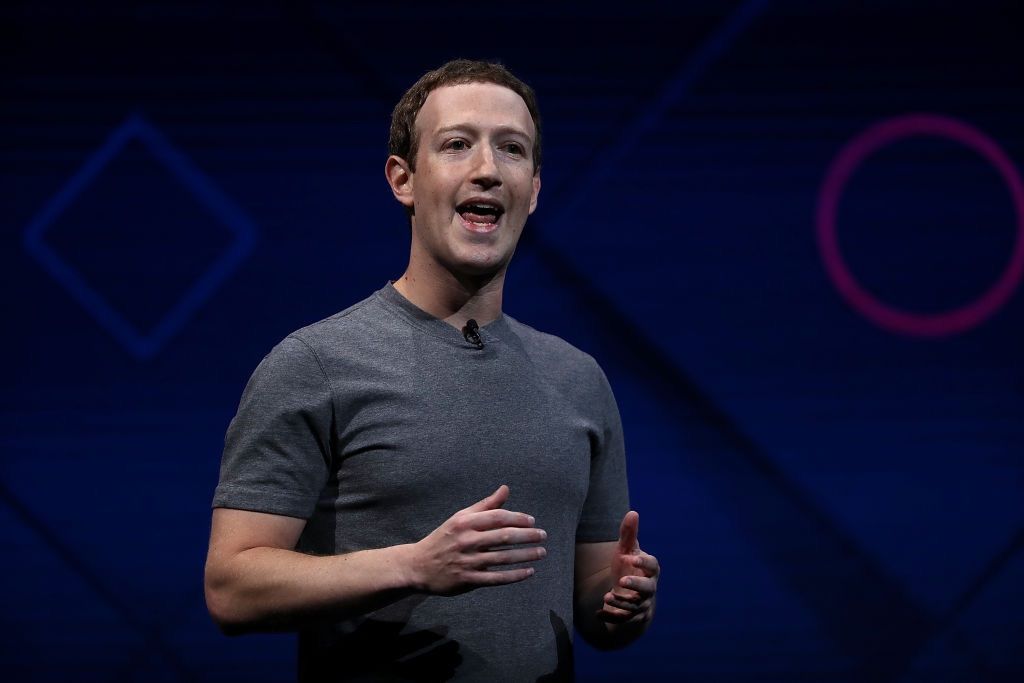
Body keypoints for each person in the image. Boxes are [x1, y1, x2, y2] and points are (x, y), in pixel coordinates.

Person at [204, 59, 660, 682]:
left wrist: (621, 604)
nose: (487, 170)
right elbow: (232, 588)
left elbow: (595, 611)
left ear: (533, 189)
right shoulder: (315, 364)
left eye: (512, 150)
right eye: (456, 145)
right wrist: (414, 566)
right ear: (403, 180)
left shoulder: (578, 379)